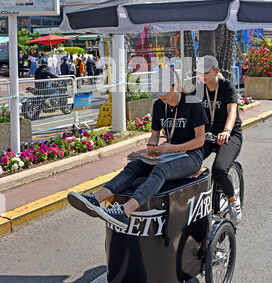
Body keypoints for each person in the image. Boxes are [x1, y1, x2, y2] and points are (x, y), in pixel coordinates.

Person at [67, 68, 209, 230]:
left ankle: (125, 212)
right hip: (167, 153)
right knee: (134, 166)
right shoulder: (158, 106)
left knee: (161, 171)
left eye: (163, 91)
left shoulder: (193, 104)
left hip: (190, 156)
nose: (160, 96)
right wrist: (151, 148)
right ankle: (95, 199)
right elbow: (154, 136)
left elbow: (200, 140)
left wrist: (173, 148)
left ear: (174, 86)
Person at [197, 55, 243, 225]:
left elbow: (232, 112)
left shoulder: (227, 87)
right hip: (207, 136)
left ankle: (232, 200)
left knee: (219, 169)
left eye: (206, 73)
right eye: (199, 73)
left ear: (216, 71)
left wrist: (226, 131)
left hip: (230, 135)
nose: (202, 76)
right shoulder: (199, 89)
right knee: (189, 162)